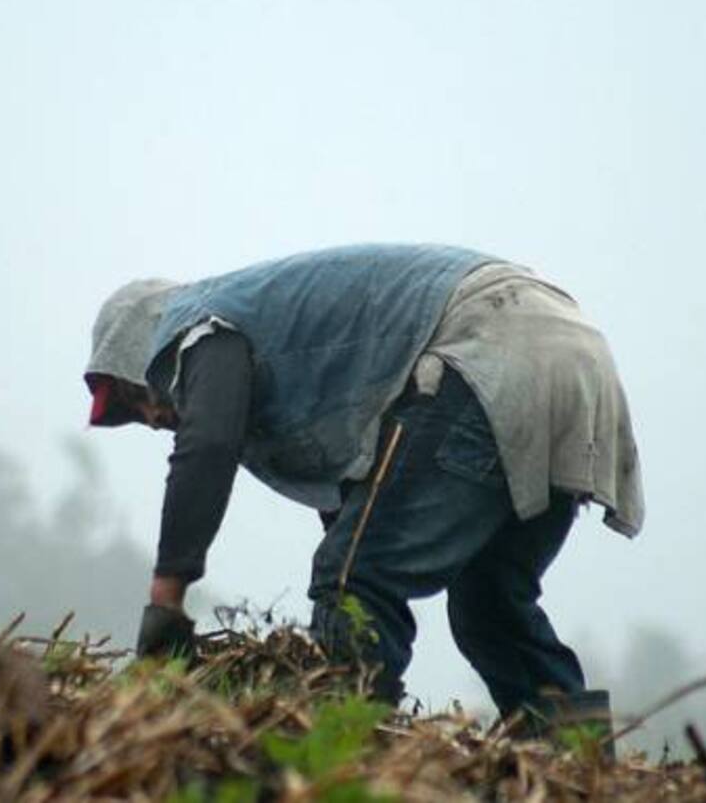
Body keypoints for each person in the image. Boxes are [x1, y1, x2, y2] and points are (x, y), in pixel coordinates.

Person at [83, 244, 643, 721]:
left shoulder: (197, 325)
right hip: (575, 355)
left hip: (486, 341)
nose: (151, 418)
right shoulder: (274, 328)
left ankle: (351, 745)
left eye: (134, 397)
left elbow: (207, 446)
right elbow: (367, 498)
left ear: (143, 346)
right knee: (489, 606)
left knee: (352, 579)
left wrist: (167, 599)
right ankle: (580, 764)